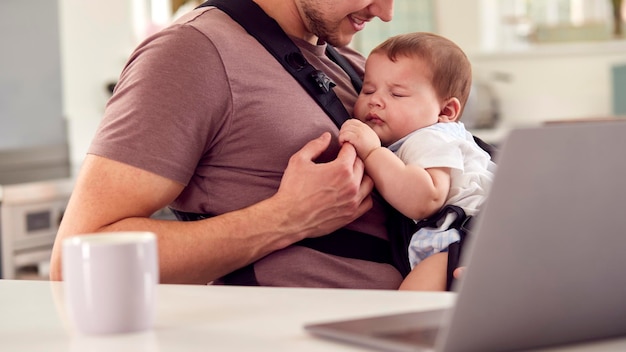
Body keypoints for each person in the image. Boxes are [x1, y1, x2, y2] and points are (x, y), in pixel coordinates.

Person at [49, 0, 405, 288]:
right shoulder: (189, 52)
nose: (386, 13)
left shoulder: (356, 69)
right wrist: (286, 218)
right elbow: (75, 261)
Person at [339, 32, 495, 291]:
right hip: (471, 235)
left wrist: (372, 153)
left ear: (445, 112)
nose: (375, 100)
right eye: (368, 90)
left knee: (411, 302)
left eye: (397, 94)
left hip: (469, 238)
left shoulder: (428, 138)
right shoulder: (427, 135)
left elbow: (426, 198)